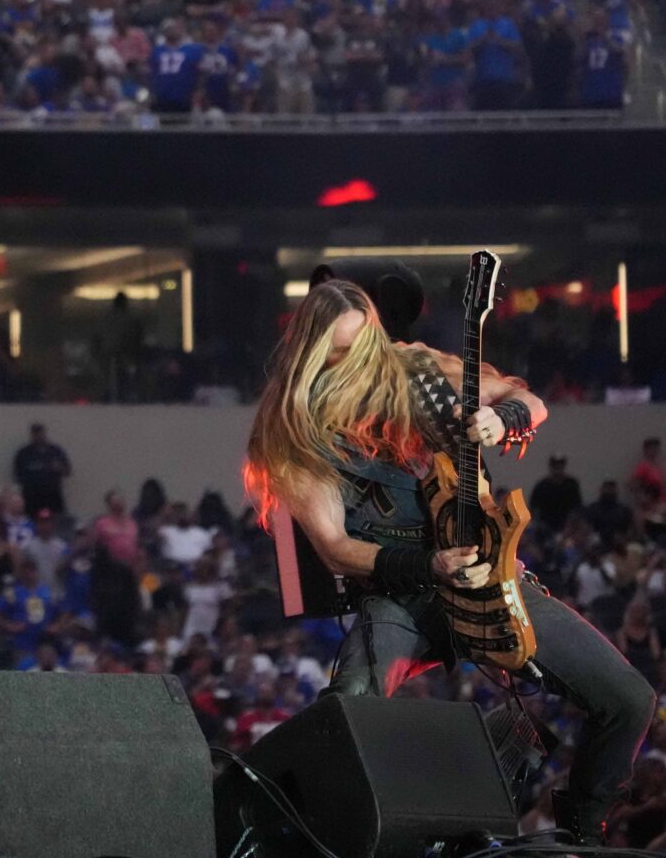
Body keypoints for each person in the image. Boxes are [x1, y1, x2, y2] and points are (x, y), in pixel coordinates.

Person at [244, 279, 655, 846]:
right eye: (341, 353)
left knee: (630, 699)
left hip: (486, 576)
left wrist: (502, 419)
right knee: (345, 713)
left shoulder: (413, 368)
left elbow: (529, 402)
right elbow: (335, 547)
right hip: (400, 590)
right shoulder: (295, 427)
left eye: (364, 346)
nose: (359, 363)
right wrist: (428, 567)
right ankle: (317, 843)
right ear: (315, 353)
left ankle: (584, 826)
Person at [12, 422, 71, 516]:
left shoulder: (55, 451)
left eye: (40, 433)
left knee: (56, 522)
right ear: (32, 435)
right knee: (32, 521)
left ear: (44, 434)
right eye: (35, 434)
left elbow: (68, 471)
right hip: (32, 497)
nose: (38, 436)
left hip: (53, 495)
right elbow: (17, 475)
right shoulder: (24, 453)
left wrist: (59, 468)